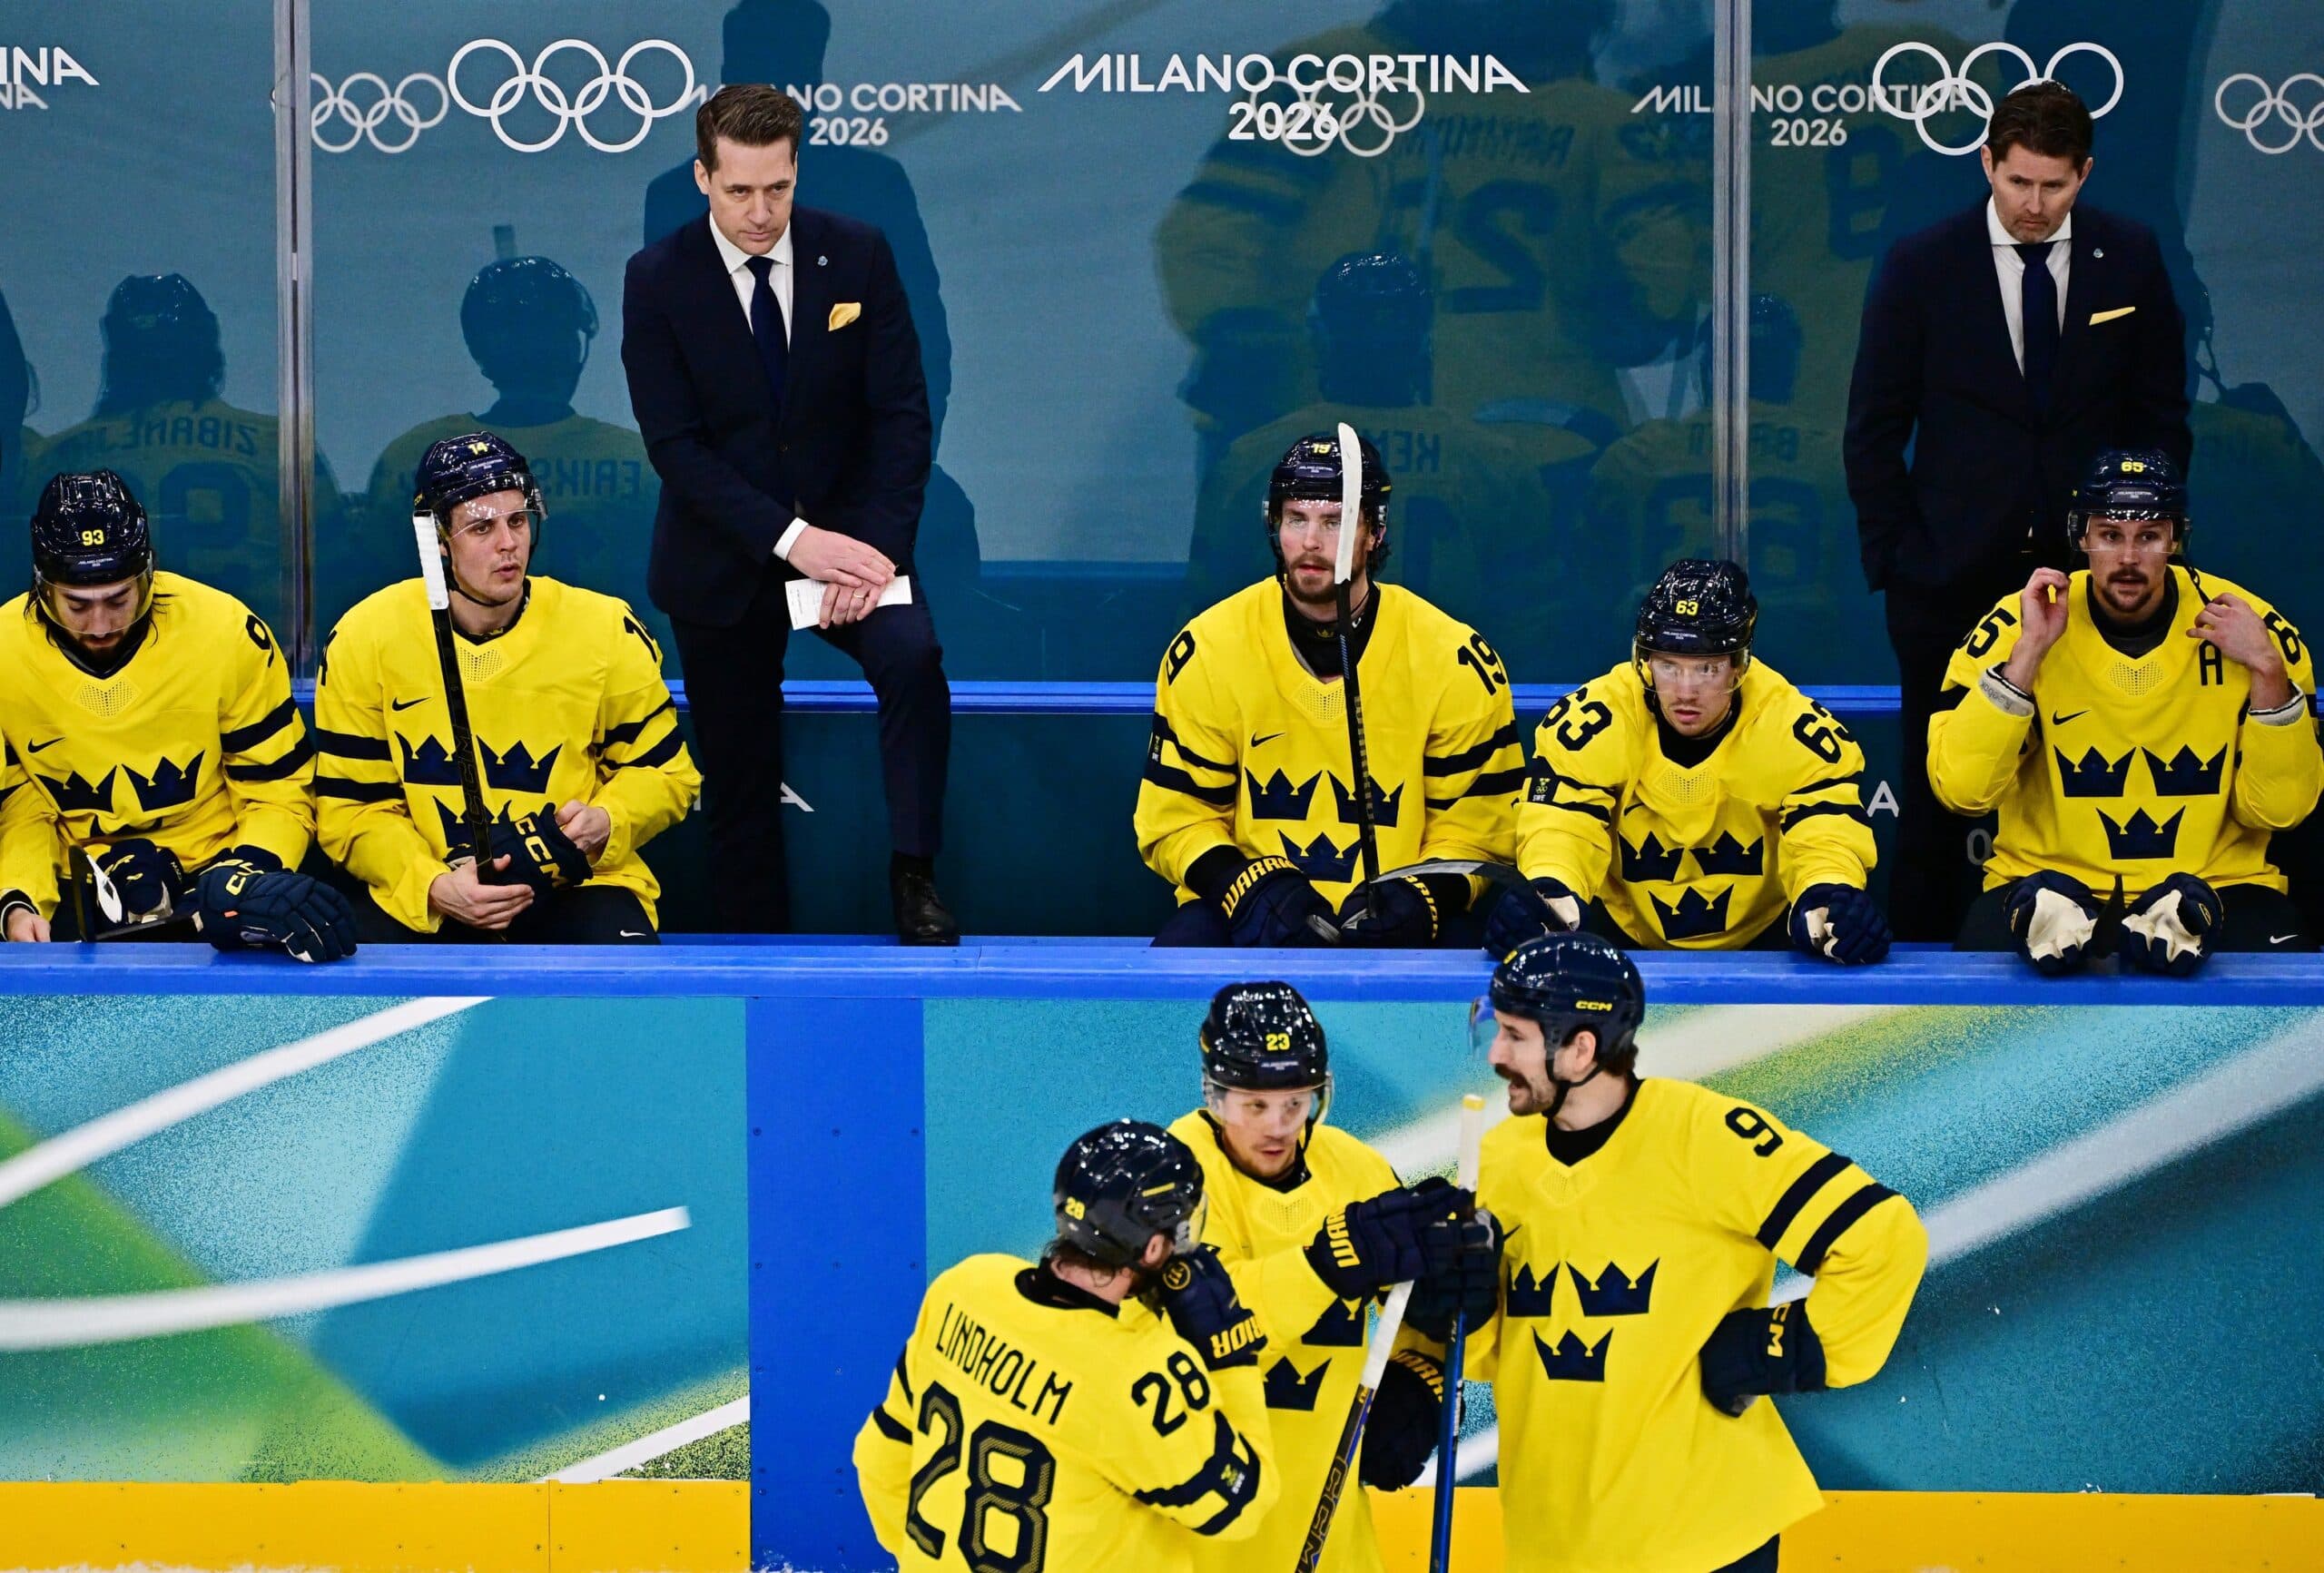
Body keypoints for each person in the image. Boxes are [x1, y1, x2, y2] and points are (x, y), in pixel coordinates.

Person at [1845, 81, 2191, 943]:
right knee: (1937, 799)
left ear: (2085, 175)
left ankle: (2103, 954)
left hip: (2094, 586)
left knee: (2089, 785)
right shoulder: (1922, 264)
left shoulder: (2130, 256)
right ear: (1987, 164)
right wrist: (1900, 562)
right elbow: (1874, 430)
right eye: (2019, 182)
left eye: (2054, 186)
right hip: (1945, 581)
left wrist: (2141, 552)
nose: (2034, 205)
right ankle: (1922, 982)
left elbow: (2161, 419)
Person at [1470, 933, 1926, 1572]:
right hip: (1556, 1540)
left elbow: (1882, 1236)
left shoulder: (1705, 1134)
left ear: (1580, 1049)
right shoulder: (1497, 1156)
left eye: (1515, 1035)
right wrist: (1454, 1307)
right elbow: (1499, 1350)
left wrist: (1775, 1347)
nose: (1496, 1054)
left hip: (1704, 1537)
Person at [623, 84, 953, 944]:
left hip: (855, 547)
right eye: (739, 191)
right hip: (724, 558)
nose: (761, 212)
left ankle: (915, 876)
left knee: (912, 659)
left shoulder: (859, 253)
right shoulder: (656, 279)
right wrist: (797, 543)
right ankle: (754, 953)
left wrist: (873, 551)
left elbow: (903, 416)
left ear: (797, 170)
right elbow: (677, 448)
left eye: (778, 187)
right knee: (739, 781)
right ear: (703, 177)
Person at [1930, 449, 2319, 971]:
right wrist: (2027, 656)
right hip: (2045, 891)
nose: (2129, 558)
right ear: (2081, 537)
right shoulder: (2017, 623)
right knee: (1978, 981)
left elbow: (2280, 812)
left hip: (2219, 888)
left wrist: (2269, 671)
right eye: (2110, 536)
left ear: (2176, 539)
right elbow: (1962, 791)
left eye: (2149, 536)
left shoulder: (2251, 627)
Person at [1137, 431, 1524, 948]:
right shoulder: (1208, 648)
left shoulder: (1455, 659)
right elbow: (1178, 819)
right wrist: (1242, 885)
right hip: (1246, 916)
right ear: (1274, 525)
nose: (1311, 543)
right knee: (1180, 955)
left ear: (1374, 532)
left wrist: (1423, 896)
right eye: (1296, 519)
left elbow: (1480, 830)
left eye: (1335, 522)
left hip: (1400, 925)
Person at [313, 433, 699, 944]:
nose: (508, 543)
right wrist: (433, 886)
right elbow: (352, 810)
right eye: (481, 527)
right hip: (425, 893)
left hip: (578, 886)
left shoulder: (605, 628)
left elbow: (668, 776)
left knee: (619, 979)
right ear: (438, 540)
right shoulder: (365, 636)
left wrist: (607, 819)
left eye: (517, 521)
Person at [1166, 981, 1495, 1573]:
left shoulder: (1353, 1167)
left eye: (1296, 1103)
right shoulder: (1173, 1176)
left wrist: (1426, 1377)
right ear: (1214, 1095)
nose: (1278, 1126)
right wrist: (1325, 1263)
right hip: (1201, 1543)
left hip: (1336, 1539)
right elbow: (1200, 1332)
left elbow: (1418, 1315)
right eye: (1254, 1105)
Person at [853, 1119, 1277, 1570]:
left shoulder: (962, 1289)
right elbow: (1242, 1504)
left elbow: (880, 1458)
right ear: (1153, 1249)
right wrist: (1230, 1358)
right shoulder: (1140, 1376)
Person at [1184, 252, 1608, 673]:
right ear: (1423, 343)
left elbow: (1208, 622)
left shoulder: (1252, 460)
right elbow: (1532, 633)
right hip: (1444, 699)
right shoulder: (1495, 463)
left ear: (1321, 339)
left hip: (1299, 700)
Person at [0, 471, 354, 960]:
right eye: (77, 605)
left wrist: (245, 875)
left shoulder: (225, 632)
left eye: (119, 600)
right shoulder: (5, 652)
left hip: (220, 868)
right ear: (42, 587)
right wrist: (19, 898)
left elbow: (277, 789)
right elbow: (21, 807)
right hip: (76, 882)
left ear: (149, 574)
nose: (100, 625)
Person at [1487, 559, 1886, 963]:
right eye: (1669, 666)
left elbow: (1823, 834)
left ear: (1739, 665)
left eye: (1707, 668)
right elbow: (1563, 825)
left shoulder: (1792, 729)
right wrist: (1550, 891)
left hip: (1763, 943)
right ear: (1645, 661)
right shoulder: (1595, 720)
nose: (1685, 691)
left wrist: (1828, 896)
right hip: (1621, 936)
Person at [345, 257, 668, 660]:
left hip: (443, 665)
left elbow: (373, 578)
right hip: (599, 663)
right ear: (573, 344)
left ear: (481, 347)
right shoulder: (638, 461)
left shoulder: (410, 456)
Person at [25, 273, 347, 633]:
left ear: (116, 357)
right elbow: (335, 567)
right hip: (243, 644)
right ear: (206, 348)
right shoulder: (277, 445)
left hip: (109, 645)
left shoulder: (58, 458)